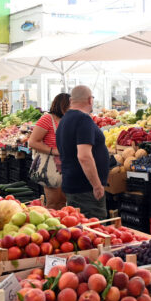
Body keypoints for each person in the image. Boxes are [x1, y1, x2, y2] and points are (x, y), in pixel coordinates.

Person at [56, 85, 110, 218]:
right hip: (86, 189)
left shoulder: (64, 120)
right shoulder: (83, 119)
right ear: (90, 100)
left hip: (73, 184)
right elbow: (84, 156)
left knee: (80, 227)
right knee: (94, 229)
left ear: (71, 101)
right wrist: (97, 185)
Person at [28, 93, 70, 210]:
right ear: (62, 105)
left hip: (67, 165)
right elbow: (32, 142)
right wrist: (53, 151)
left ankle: (62, 225)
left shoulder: (68, 120)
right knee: (53, 202)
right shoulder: (47, 119)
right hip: (52, 165)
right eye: (69, 106)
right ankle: (50, 225)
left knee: (63, 202)